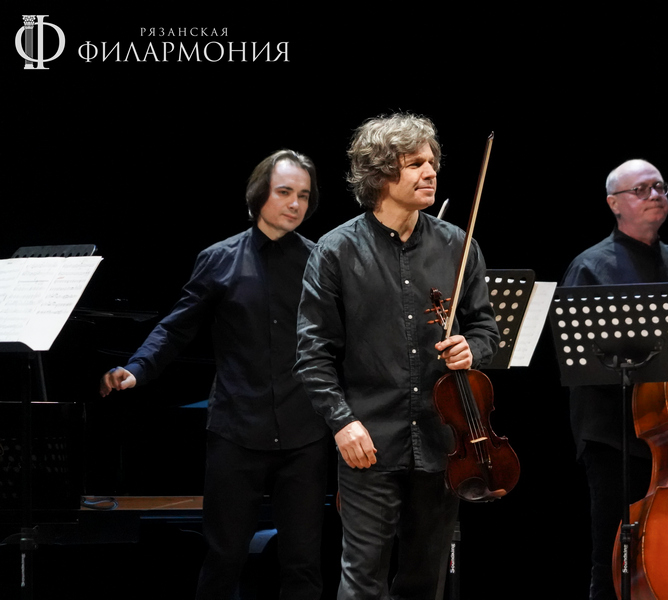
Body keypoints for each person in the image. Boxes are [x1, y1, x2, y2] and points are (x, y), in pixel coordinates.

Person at [99, 150, 332, 600]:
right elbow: (176, 327)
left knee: (303, 563)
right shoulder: (219, 258)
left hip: (303, 432)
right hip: (236, 430)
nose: (295, 204)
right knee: (224, 557)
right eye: (284, 192)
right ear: (259, 194)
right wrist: (137, 368)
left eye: (304, 195)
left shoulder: (320, 260)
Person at [294, 113, 499, 600]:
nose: (431, 172)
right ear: (381, 174)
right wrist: (342, 423)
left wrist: (472, 348)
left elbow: (485, 330)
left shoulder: (459, 246)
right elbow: (312, 353)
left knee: (424, 583)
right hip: (369, 442)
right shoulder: (336, 251)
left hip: (443, 440)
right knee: (362, 582)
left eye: (432, 162)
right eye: (415, 164)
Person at [561, 159, 668, 600]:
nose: (655, 195)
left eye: (661, 187)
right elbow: (580, 361)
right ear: (614, 204)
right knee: (613, 558)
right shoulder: (590, 267)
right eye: (641, 189)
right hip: (615, 435)